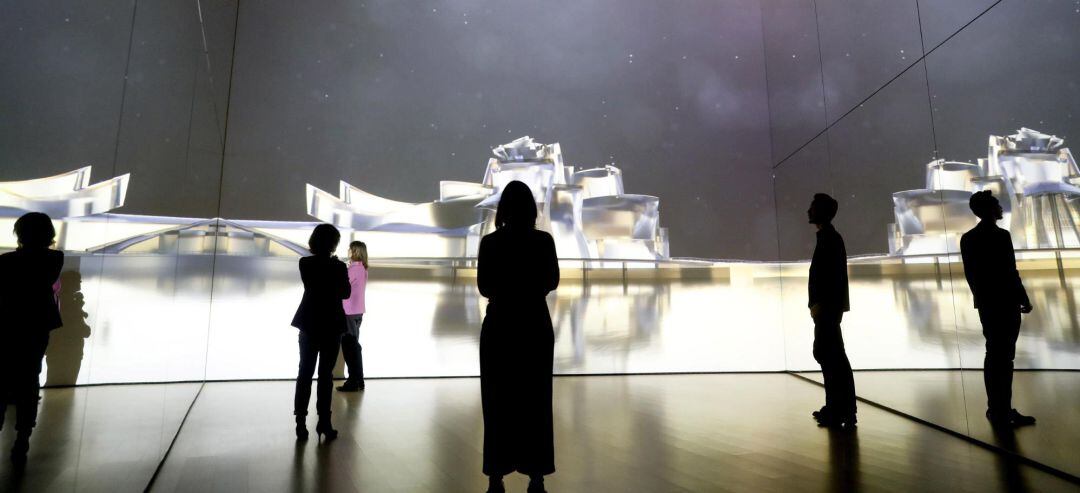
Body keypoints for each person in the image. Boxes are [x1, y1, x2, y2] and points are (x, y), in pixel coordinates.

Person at [477, 180, 559, 493]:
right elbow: (552, 280)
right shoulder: (543, 241)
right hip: (534, 324)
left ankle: (495, 476)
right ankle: (535, 476)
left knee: (497, 401)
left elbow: (485, 287)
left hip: (500, 325)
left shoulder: (491, 243)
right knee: (535, 401)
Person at [960, 190, 1036, 427]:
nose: (1001, 208)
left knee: (994, 355)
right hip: (1006, 303)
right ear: (991, 209)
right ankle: (1003, 410)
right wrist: (1023, 297)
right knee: (1005, 357)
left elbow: (971, 275)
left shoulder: (968, 238)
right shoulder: (1001, 236)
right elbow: (1010, 271)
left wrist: (983, 298)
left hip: (988, 304)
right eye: (997, 204)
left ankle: (997, 409)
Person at [0, 212, 64, 465]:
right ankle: (23, 437)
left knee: (2, 378)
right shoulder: (54, 259)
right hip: (36, 325)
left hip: (7, 324)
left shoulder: (5, 262)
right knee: (29, 378)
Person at [291, 223, 351, 440]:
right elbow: (345, 293)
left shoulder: (305, 263)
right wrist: (335, 268)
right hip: (332, 324)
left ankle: (300, 422)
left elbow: (311, 287)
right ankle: (324, 422)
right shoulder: (339, 267)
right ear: (334, 243)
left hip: (309, 323)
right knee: (325, 376)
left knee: (304, 373)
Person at [806, 193, 856, 428]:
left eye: (813, 208)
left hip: (826, 309)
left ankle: (840, 409)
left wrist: (819, 305)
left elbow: (828, 278)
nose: (808, 211)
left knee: (830, 357)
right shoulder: (830, 238)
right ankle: (840, 408)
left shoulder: (829, 239)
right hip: (828, 308)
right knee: (831, 356)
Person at [337, 240, 368, 392]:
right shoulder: (362, 268)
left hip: (348, 312)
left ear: (354, 251)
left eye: (350, 249)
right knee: (354, 346)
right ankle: (358, 380)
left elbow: (341, 286)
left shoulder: (352, 270)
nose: (348, 251)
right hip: (357, 311)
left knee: (350, 348)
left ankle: (353, 381)